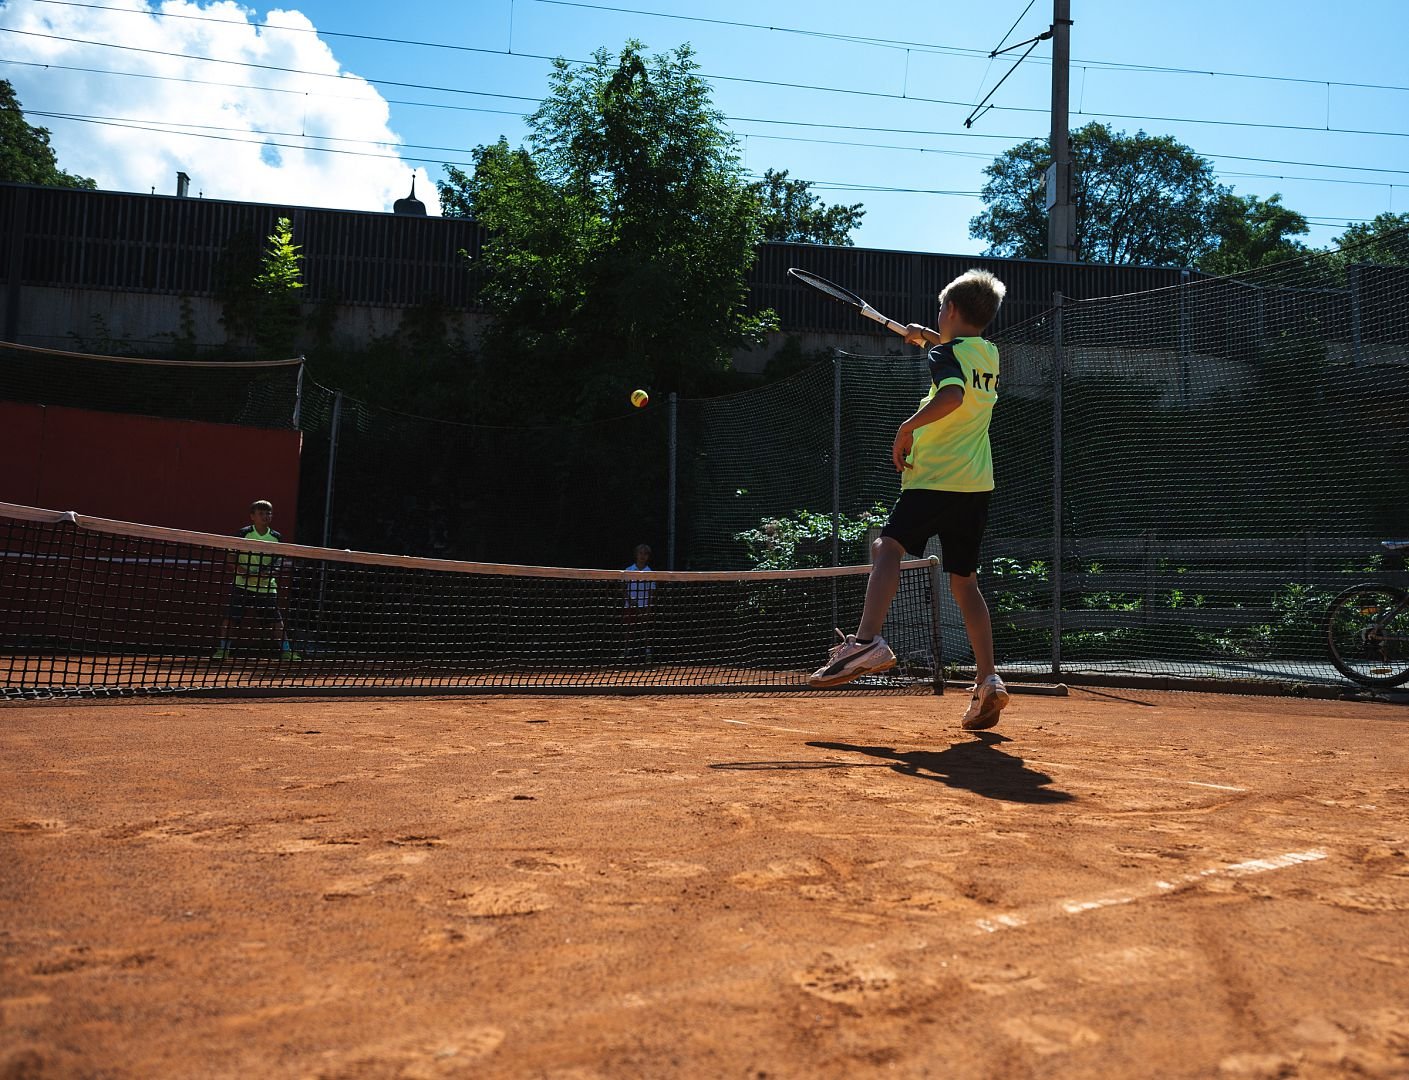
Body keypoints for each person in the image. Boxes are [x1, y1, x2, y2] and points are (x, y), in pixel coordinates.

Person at [808, 269, 1010, 731]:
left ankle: (866, 642)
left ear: (951, 310)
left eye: (940, 309)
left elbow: (952, 395)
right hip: (976, 485)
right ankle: (988, 680)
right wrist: (927, 338)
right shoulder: (988, 353)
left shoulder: (947, 356)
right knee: (965, 583)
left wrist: (907, 426)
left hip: (936, 478)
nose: (937, 316)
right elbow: (960, 358)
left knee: (888, 547)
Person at [211, 500, 299, 661]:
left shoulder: (276, 537)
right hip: (241, 586)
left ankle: (287, 652)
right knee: (230, 619)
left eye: (268, 513)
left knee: (276, 622)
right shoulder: (243, 534)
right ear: (252, 516)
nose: (265, 516)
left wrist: (268, 573)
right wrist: (241, 570)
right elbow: (231, 556)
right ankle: (223, 650)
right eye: (261, 513)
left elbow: (278, 562)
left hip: (266, 588)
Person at [623, 543, 656, 663]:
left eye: (645, 554)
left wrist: (648, 607)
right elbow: (623, 588)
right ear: (636, 555)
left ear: (648, 556)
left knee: (645, 630)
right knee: (629, 630)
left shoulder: (650, 572)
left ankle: (648, 653)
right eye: (640, 553)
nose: (642, 556)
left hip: (644, 606)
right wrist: (629, 600)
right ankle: (626, 652)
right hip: (629, 606)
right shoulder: (628, 570)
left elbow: (651, 591)